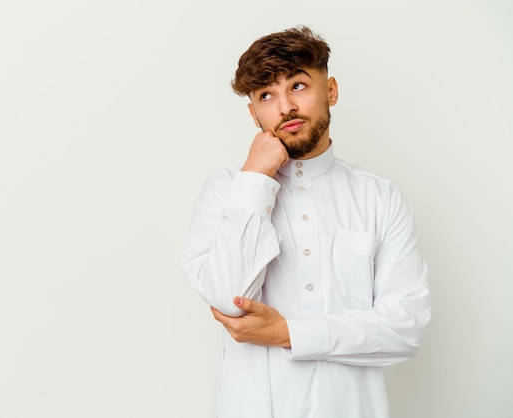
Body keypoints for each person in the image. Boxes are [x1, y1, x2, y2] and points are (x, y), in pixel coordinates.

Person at [179, 25, 431, 418]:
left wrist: (289, 333)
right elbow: (229, 298)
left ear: (330, 90)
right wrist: (256, 178)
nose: (285, 108)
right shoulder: (228, 189)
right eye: (266, 95)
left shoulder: (379, 197)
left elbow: (405, 328)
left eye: (298, 86)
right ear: (253, 113)